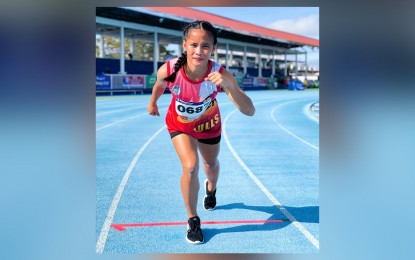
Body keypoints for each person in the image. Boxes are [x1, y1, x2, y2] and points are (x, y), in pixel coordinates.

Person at [147, 20, 255, 244]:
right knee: (190, 166)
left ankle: (211, 188)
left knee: (210, 165)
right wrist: (153, 103)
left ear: (213, 48)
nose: (199, 51)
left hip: (208, 125)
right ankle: (193, 220)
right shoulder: (169, 70)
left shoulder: (220, 74)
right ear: (185, 45)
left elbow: (249, 111)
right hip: (180, 124)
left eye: (205, 46)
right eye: (194, 45)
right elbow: (158, 85)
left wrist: (230, 86)